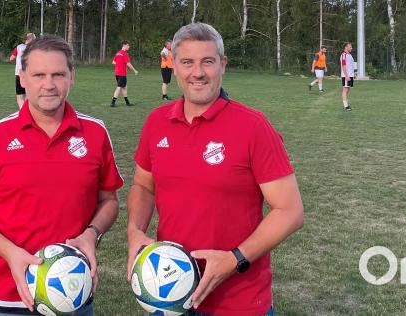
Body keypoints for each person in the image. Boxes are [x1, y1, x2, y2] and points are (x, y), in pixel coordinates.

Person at [126, 23, 304, 316]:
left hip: (237, 303)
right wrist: (134, 232)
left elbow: (290, 211)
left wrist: (234, 260)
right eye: (187, 62)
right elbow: (143, 185)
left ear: (223, 64)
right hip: (168, 295)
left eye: (207, 61)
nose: (197, 72)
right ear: (174, 65)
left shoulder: (253, 127)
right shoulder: (156, 122)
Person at [0, 35, 124, 316]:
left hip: (71, 294)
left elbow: (110, 201)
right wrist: (11, 254)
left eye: (58, 74)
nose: (49, 84)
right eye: (39, 75)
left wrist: (92, 234)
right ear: (22, 78)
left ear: (72, 77)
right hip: (5, 298)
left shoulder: (95, 133)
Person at [8, 33, 36, 109]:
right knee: (28, 95)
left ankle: (23, 113)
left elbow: (11, 58)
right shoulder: (35, 48)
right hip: (31, 74)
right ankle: (28, 111)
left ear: (26, 39)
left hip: (19, 74)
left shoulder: (19, 47)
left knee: (20, 96)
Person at [111, 41, 138, 107]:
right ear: (124, 45)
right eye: (128, 45)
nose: (129, 47)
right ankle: (113, 102)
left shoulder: (118, 53)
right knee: (119, 87)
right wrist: (134, 70)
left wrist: (120, 64)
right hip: (122, 74)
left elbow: (113, 62)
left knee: (124, 87)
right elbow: (128, 63)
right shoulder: (125, 53)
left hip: (117, 73)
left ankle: (127, 102)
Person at [340, 43, 357, 111]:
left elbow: (352, 65)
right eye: (350, 47)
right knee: (345, 90)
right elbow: (343, 66)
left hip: (350, 75)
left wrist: (354, 73)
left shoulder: (350, 55)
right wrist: (346, 75)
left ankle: (346, 104)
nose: (351, 48)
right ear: (346, 47)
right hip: (346, 75)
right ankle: (345, 106)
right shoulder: (343, 55)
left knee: (347, 90)